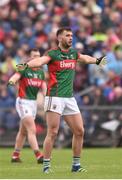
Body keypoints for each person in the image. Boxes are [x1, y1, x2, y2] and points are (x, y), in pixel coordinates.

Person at [16, 27, 106, 172]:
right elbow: (40, 61)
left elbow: (84, 58)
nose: (71, 38)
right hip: (55, 97)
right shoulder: (53, 53)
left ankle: (76, 166)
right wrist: (26, 65)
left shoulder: (73, 53)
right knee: (53, 132)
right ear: (59, 38)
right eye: (67, 35)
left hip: (69, 98)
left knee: (79, 131)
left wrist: (97, 60)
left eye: (71, 35)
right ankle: (46, 166)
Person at [8, 48, 47, 164]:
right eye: (34, 56)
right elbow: (15, 76)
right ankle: (39, 155)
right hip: (23, 102)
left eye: (38, 56)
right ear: (30, 58)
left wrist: (48, 98)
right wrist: (12, 81)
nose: (37, 58)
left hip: (33, 103)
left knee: (23, 131)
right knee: (32, 129)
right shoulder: (24, 68)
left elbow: (44, 88)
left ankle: (15, 156)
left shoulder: (41, 73)